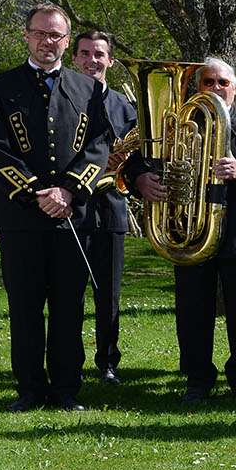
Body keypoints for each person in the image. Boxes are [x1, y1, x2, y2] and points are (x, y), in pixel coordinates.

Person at [0, 2, 113, 411]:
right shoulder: (0, 88)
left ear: (67, 41)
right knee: (25, 307)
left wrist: (69, 191)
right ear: (26, 35)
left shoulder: (88, 90)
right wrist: (37, 191)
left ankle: (67, 389)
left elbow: (99, 146)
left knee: (70, 307)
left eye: (55, 35)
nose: (46, 41)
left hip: (72, 217)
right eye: (39, 33)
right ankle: (31, 389)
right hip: (20, 217)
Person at [125, 57, 236, 403]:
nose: (215, 89)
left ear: (235, 88)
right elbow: (139, 160)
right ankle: (197, 379)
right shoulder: (180, 121)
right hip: (189, 231)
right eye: (208, 82)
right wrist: (140, 179)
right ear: (198, 86)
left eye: (222, 83)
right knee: (192, 310)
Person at [71, 29, 137, 386]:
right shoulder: (61, 100)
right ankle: (71, 361)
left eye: (99, 54)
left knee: (108, 292)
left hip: (110, 205)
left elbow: (140, 158)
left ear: (109, 60)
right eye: (84, 54)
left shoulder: (126, 107)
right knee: (69, 289)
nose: (91, 60)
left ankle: (108, 362)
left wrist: (122, 163)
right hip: (72, 207)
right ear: (74, 58)